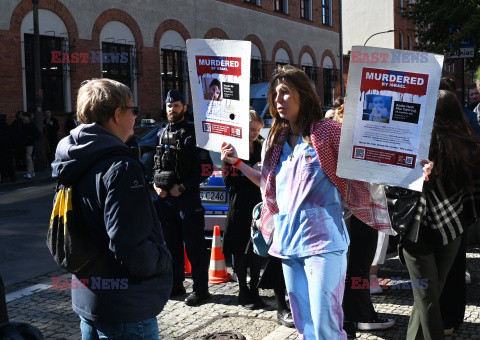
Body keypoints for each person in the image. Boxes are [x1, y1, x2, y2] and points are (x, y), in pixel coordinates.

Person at [220, 66, 425, 339]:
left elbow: (370, 163)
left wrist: (413, 168)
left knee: (325, 322)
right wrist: (238, 163)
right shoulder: (275, 139)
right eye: (275, 94)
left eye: (285, 93)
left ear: (303, 95)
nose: (278, 100)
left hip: (324, 245)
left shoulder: (329, 132)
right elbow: (269, 184)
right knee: (305, 324)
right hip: (288, 244)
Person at [52, 78, 173, 340]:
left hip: (90, 298)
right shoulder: (121, 167)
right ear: (118, 114)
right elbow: (130, 244)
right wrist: (163, 259)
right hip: (125, 306)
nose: (135, 116)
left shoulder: (74, 158)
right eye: (133, 110)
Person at [400, 90, 480, 340]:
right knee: (429, 294)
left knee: (426, 296)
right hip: (453, 228)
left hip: (418, 230)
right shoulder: (469, 145)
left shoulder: (417, 143)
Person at [153, 89, 213, 306]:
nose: (172, 109)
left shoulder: (192, 134)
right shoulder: (161, 133)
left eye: (176, 105)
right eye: (169, 106)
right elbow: (156, 164)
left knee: (194, 246)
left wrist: (184, 186)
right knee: (171, 246)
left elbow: (205, 168)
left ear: (184, 108)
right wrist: (155, 184)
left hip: (187, 200)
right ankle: (176, 284)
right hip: (165, 200)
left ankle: (201, 290)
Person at [221, 109, 265, 309]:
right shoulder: (232, 148)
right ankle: (242, 290)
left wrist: (259, 171)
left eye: (257, 129)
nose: (254, 133)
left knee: (257, 249)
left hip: (258, 202)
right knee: (239, 249)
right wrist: (250, 171)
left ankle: (254, 288)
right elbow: (228, 179)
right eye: (251, 129)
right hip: (239, 203)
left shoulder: (262, 146)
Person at [22, 112, 38, 179]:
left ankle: (29, 173)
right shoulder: (29, 124)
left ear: (28, 117)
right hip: (29, 143)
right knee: (29, 157)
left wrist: (29, 139)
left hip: (29, 143)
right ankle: (32, 172)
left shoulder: (30, 125)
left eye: (25, 117)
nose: (24, 118)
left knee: (28, 157)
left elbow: (34, 134)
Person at [0, 114, 15, 182]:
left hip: (2, 148)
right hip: (9, 148)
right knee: (9, 162)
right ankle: (12, 176)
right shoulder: (8, 127)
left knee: (3, 162)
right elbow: (11, 137)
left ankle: (4, 176)